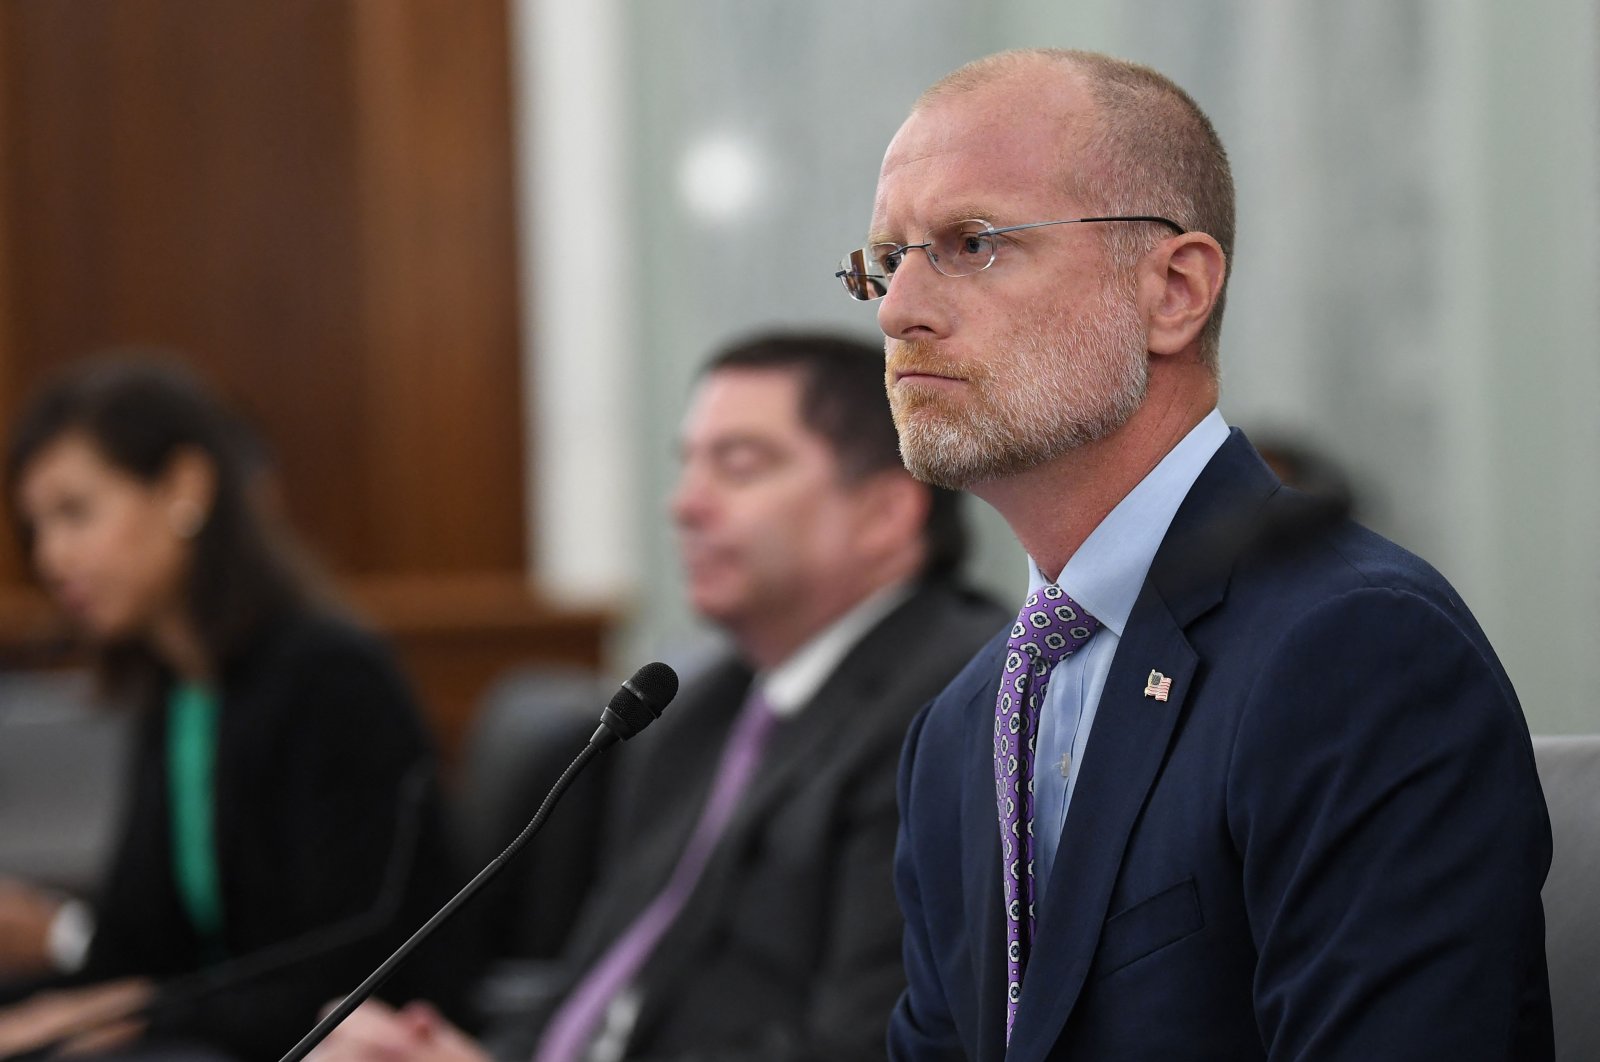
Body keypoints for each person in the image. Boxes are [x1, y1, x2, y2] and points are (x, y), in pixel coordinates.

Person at [836, 49, 1553, 1060]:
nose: (897, 309)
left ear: (1173, 290)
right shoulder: (958, 728)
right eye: (885, 259)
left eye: (971, 241)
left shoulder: (1355, 652)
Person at [309, 333, 1009, 1061]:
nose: (685, 505)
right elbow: (604, 980)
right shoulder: (694, 706)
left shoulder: (953, 704)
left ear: (886, 514)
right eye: (687, 466)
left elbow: (867, 1041)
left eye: (739, 467)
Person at [0, 357, 471, 1060]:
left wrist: (134, 1016)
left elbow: (344, 964)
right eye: (36, 528)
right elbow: (147, 947)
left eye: (75, 512)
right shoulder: (182, 688)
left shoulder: (331, 678)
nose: (51, 555)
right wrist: (66, 1005)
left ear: (184, 488)